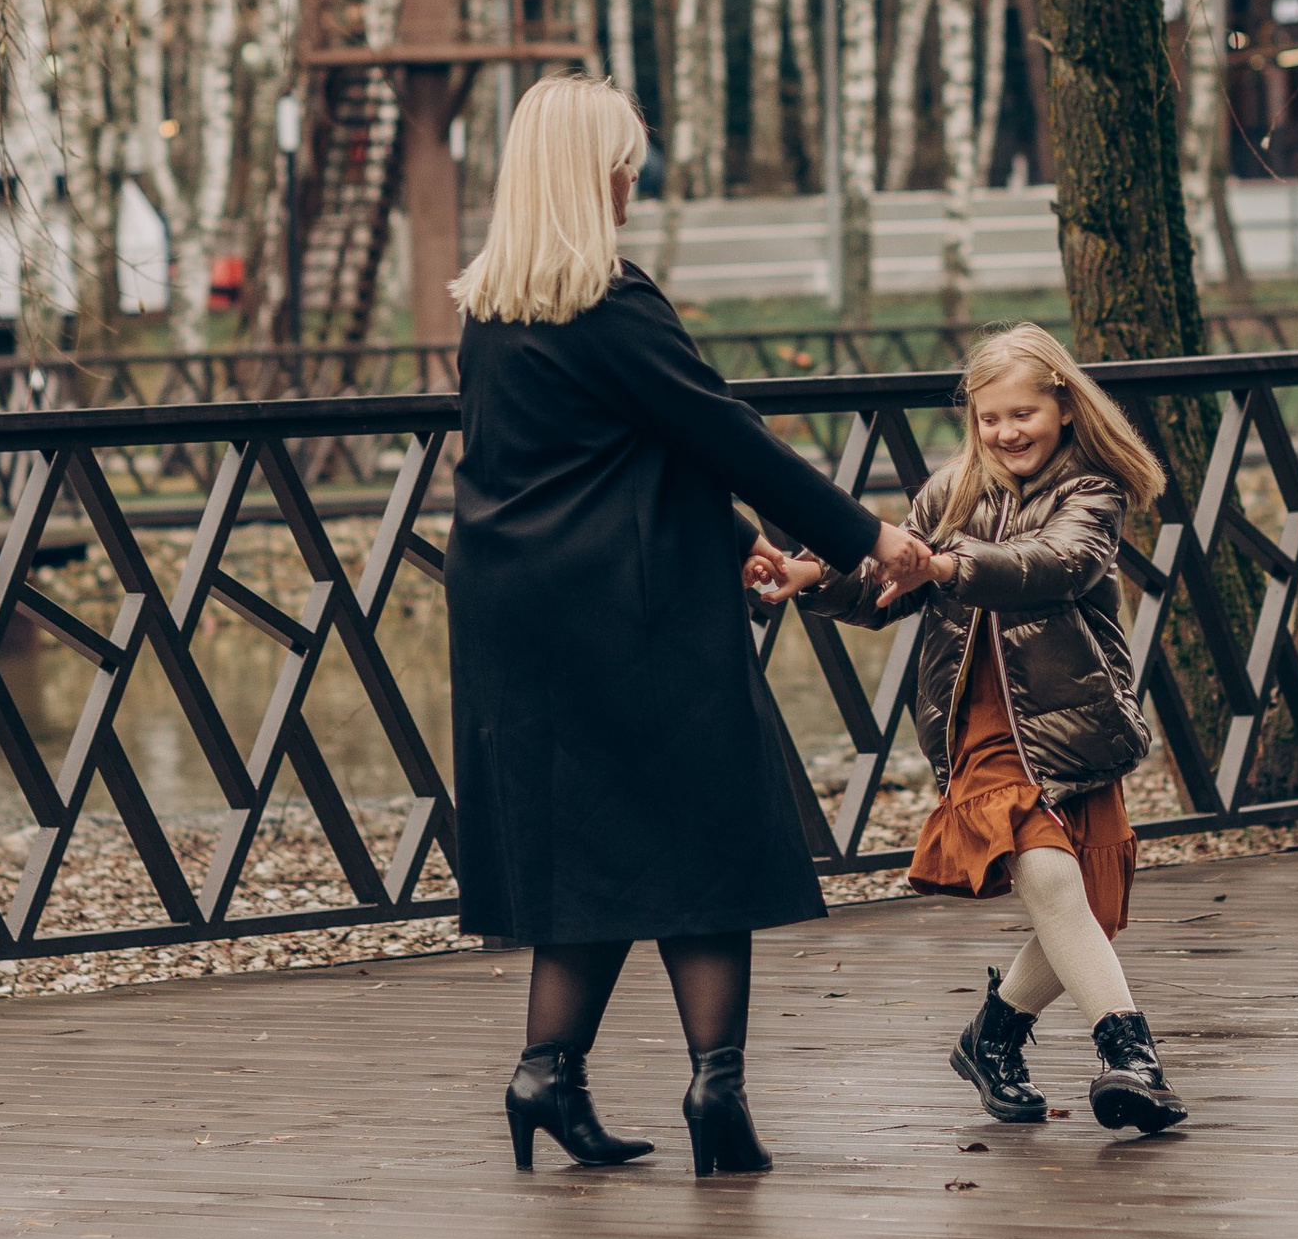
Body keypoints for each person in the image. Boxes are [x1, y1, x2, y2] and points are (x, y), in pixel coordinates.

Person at [445, 73, 935, 1176]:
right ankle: (717, 1094)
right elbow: (721, 434)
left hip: (516, 613)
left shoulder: (490, 308)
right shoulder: (608, 302)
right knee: (704, 835)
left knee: (588, 844)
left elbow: (592, 460)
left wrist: (728, 541)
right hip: (632, 612)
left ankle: (546, 1073)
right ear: (591, 174)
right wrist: (866, 536)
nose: (631, 178)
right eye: (623, 160)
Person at [749, 321, 1188, 1137]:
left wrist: (946, 563)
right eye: (990, 418)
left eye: (1023, 413)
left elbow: (1053, 564)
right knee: (1055, 885)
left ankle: (992, 1038)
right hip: (978, 722)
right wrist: (811, 572)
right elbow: (885, 577)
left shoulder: (1092, 490)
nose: (1006, 432)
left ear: (1063, 403)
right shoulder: (951, 492)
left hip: (1070, 722)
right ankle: (1133, 1058)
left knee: (1093, 902)